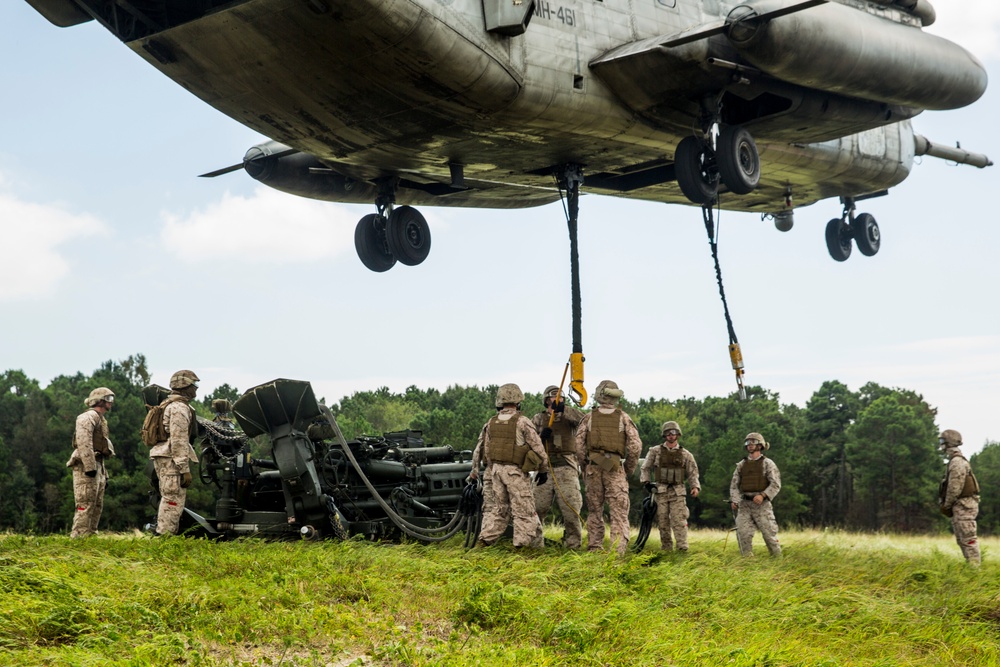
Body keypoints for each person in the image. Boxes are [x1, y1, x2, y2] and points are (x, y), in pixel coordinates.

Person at [473, 383, 549, 549]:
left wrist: (480, 471)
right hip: (515, 473)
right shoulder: (522, 422)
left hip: (495, 472)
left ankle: (484, 541)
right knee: (524, 510)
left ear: (499, 402)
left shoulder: (491, 422)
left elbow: (484, 450)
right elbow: (538, 448)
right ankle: (521, 547)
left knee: (500, 510)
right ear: (518, 402)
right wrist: (543, 469)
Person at [574, 380, 642, 555]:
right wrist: (627, 468)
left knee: (594, 511)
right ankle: (617, 551)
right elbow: (635, 447)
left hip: (593, 468)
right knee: (618, 512)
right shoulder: (623, 417)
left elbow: (579, 446)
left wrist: (585, 466)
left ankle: (594, 548)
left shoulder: (589, 418)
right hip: (615, 468)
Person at [531, 385, 585, 549]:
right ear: (546, 400)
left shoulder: (571, 416)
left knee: (571, 509)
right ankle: (534, 543)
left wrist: (564, 409)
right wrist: (541, 437)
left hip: (566, 468)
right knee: (537, 507)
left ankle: (573, 544)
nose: (557, 400)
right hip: (544, 469)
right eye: (553, 397)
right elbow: (529, 440)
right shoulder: (538, 419)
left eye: (560, 397)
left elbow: (584, 421)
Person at [149, 370, 201, 536]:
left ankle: (164, 535)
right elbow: (179, 441)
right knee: (173, 499)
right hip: (172, 458)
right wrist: (184, 469)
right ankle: (164, 537)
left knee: (169, 496)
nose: (196, 389)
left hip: (165, 455)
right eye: (194, 385)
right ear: (185, 386)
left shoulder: (169, 404)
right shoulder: (179, 408)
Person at [639, 420, 700, 552]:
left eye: (674, 433)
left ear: (678, 435)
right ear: (664, 435)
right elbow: (645, 468)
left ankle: (682, 548)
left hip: (678, 492)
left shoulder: (686, 454)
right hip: (660, 491)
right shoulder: (655, 451)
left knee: (679, 521)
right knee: (663, 522)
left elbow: (692, 472)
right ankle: (666, 549)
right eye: (668, 433)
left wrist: (695, 487)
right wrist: (647, 482)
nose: (671, 436)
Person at [66, 387, 116, 537]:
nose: (112, 403)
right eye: (109, 399)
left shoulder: (100, 418)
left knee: (97, 504)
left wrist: (103, 475)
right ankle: (79, 536)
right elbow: (83, 442)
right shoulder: (87, 417)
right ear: (100, 400)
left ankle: (90, 534)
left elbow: (98, 448)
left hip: (97, 464)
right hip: (86, 466)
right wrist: (89, 466)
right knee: (85, 503)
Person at [729, 432, 781, 557]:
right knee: (743, 534)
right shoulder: (741, 465)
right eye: (747, 442)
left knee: (770, 535)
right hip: (745, 505)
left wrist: (763, 495)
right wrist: (735, 500)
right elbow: (734, 485)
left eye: (753, 442)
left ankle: (778, 560)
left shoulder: (767, 464)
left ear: (760, 445)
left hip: (762, 506)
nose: (750, 445)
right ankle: (747, 563)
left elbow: (775, 484)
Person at [938, 429, 981, 566]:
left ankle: (975, 572)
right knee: (963, 539)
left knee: (968, 540)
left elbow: (954, 487)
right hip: (961, 505)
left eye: (942, 441)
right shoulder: (954, 461)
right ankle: (972, 568)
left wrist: (947, 504)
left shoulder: (957, 462)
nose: (940, 445)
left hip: (964, 505)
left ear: (947, 443)